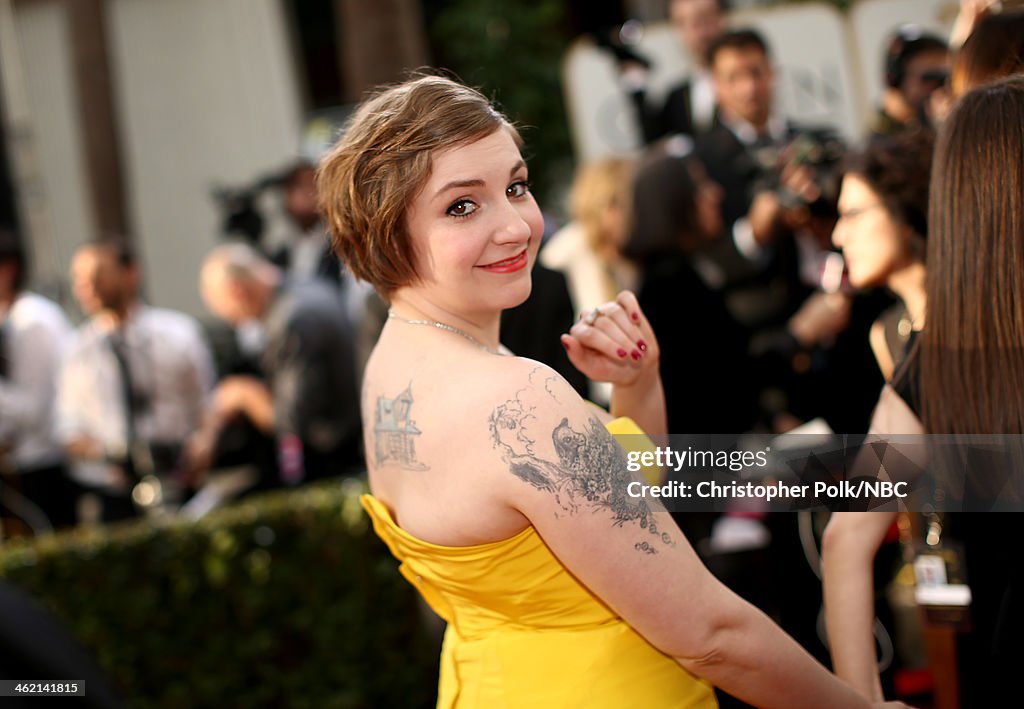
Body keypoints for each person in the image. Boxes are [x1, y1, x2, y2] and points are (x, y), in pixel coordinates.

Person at [317, 74, 908, 708]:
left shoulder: (392, 370)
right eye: (462, 205)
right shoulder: (516, 397)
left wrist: (637, 387)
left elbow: (613, 520)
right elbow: (710, 633)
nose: (516, 225)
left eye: (516, 187)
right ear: (386, 232)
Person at [822, 75, 1024, 707]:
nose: (836, 233)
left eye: (853, 213)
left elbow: (842, 540)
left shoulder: (934, 363)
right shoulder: (926, 359)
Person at [56, 237, 214, 522]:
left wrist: (202, 443)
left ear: (130, 273)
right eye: (79, 280)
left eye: (98, 276)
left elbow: (207, 405)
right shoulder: (75, 351)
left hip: (181, 478)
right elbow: (68, 429)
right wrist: (110, 456)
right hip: (114, 491)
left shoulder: (178, 334)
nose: (87, 288)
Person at [193, 242, 362, 485]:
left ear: (236, 291)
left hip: (340, 462)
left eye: (230, 315)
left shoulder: (293, 320)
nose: (236, 323)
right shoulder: (304, 287)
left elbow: (291, 420)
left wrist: (244, 396)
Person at [832, 130, 933, 380]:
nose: (838, 236)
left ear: (904, 210)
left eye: (853, 214)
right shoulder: (886, 335)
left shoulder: (985, 311)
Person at [0, 234, 74, 530]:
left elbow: (36, 408)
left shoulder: (33, 321)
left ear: (8, 269)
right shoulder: (11, 318)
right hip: (24, 465)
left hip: (45, 464)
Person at [625, 0, 727, 143]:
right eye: (683, 23)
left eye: (704, 19)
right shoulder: (677, 97)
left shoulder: (748, 80)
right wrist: (635, 82)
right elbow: (654, 142)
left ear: (721, 18)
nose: (699, 32)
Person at [870, 27, 948, 137]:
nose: (939, 87)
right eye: (929, 77)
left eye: (945, 77)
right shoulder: (880, 147)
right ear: (897, 80)